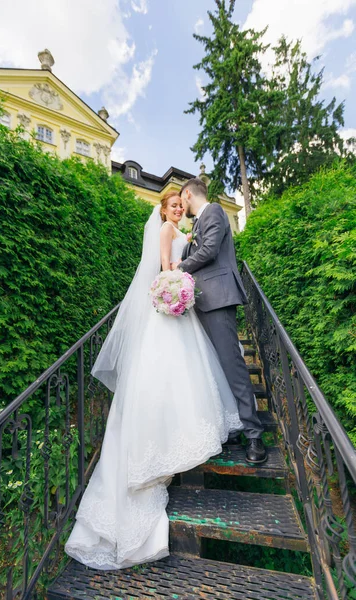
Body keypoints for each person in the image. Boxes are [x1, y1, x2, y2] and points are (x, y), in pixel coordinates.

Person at [64, 191, 243, 570]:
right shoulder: (165, 229)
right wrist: (175, 289)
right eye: (173, 205)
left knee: (185, 375)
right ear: (163, 209)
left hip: (180, 308)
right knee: (171, 374)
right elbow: (165, 270)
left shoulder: (183, 231)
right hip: (170, 310)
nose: (178, 209)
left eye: (181, 205)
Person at [173, 178, 266, 464]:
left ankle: (254, 433)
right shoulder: (196, 224)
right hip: (201, 302)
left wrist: (179, 268)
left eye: (181, 201)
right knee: (213, 370)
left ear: (187, 194)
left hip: (219, 299)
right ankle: (233, 425)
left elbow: (210, 250)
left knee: (232, 366)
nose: (182, 207)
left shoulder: (213, 211)